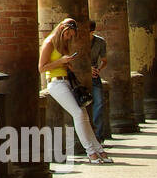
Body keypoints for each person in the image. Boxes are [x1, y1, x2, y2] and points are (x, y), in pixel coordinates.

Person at [38, 18, 110, 164]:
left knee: (84, 114)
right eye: (68, 35)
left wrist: (68, 64)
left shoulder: (62, 44)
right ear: (62, 30)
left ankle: (99, 149)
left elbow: (63, 63)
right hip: (55, 83)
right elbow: (41, 68)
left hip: (67, 81)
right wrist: (61, 61)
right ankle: (91, 152)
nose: (69, 38)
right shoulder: (49, 43)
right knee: (78, 113)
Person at [88, 20, 108, 143]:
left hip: (94, 76)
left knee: (99, 103)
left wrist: (98, 69)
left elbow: (104, 60)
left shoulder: (100, 42)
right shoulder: (76, 40)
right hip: (79, 76)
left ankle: (98, 136)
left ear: (92, 31)